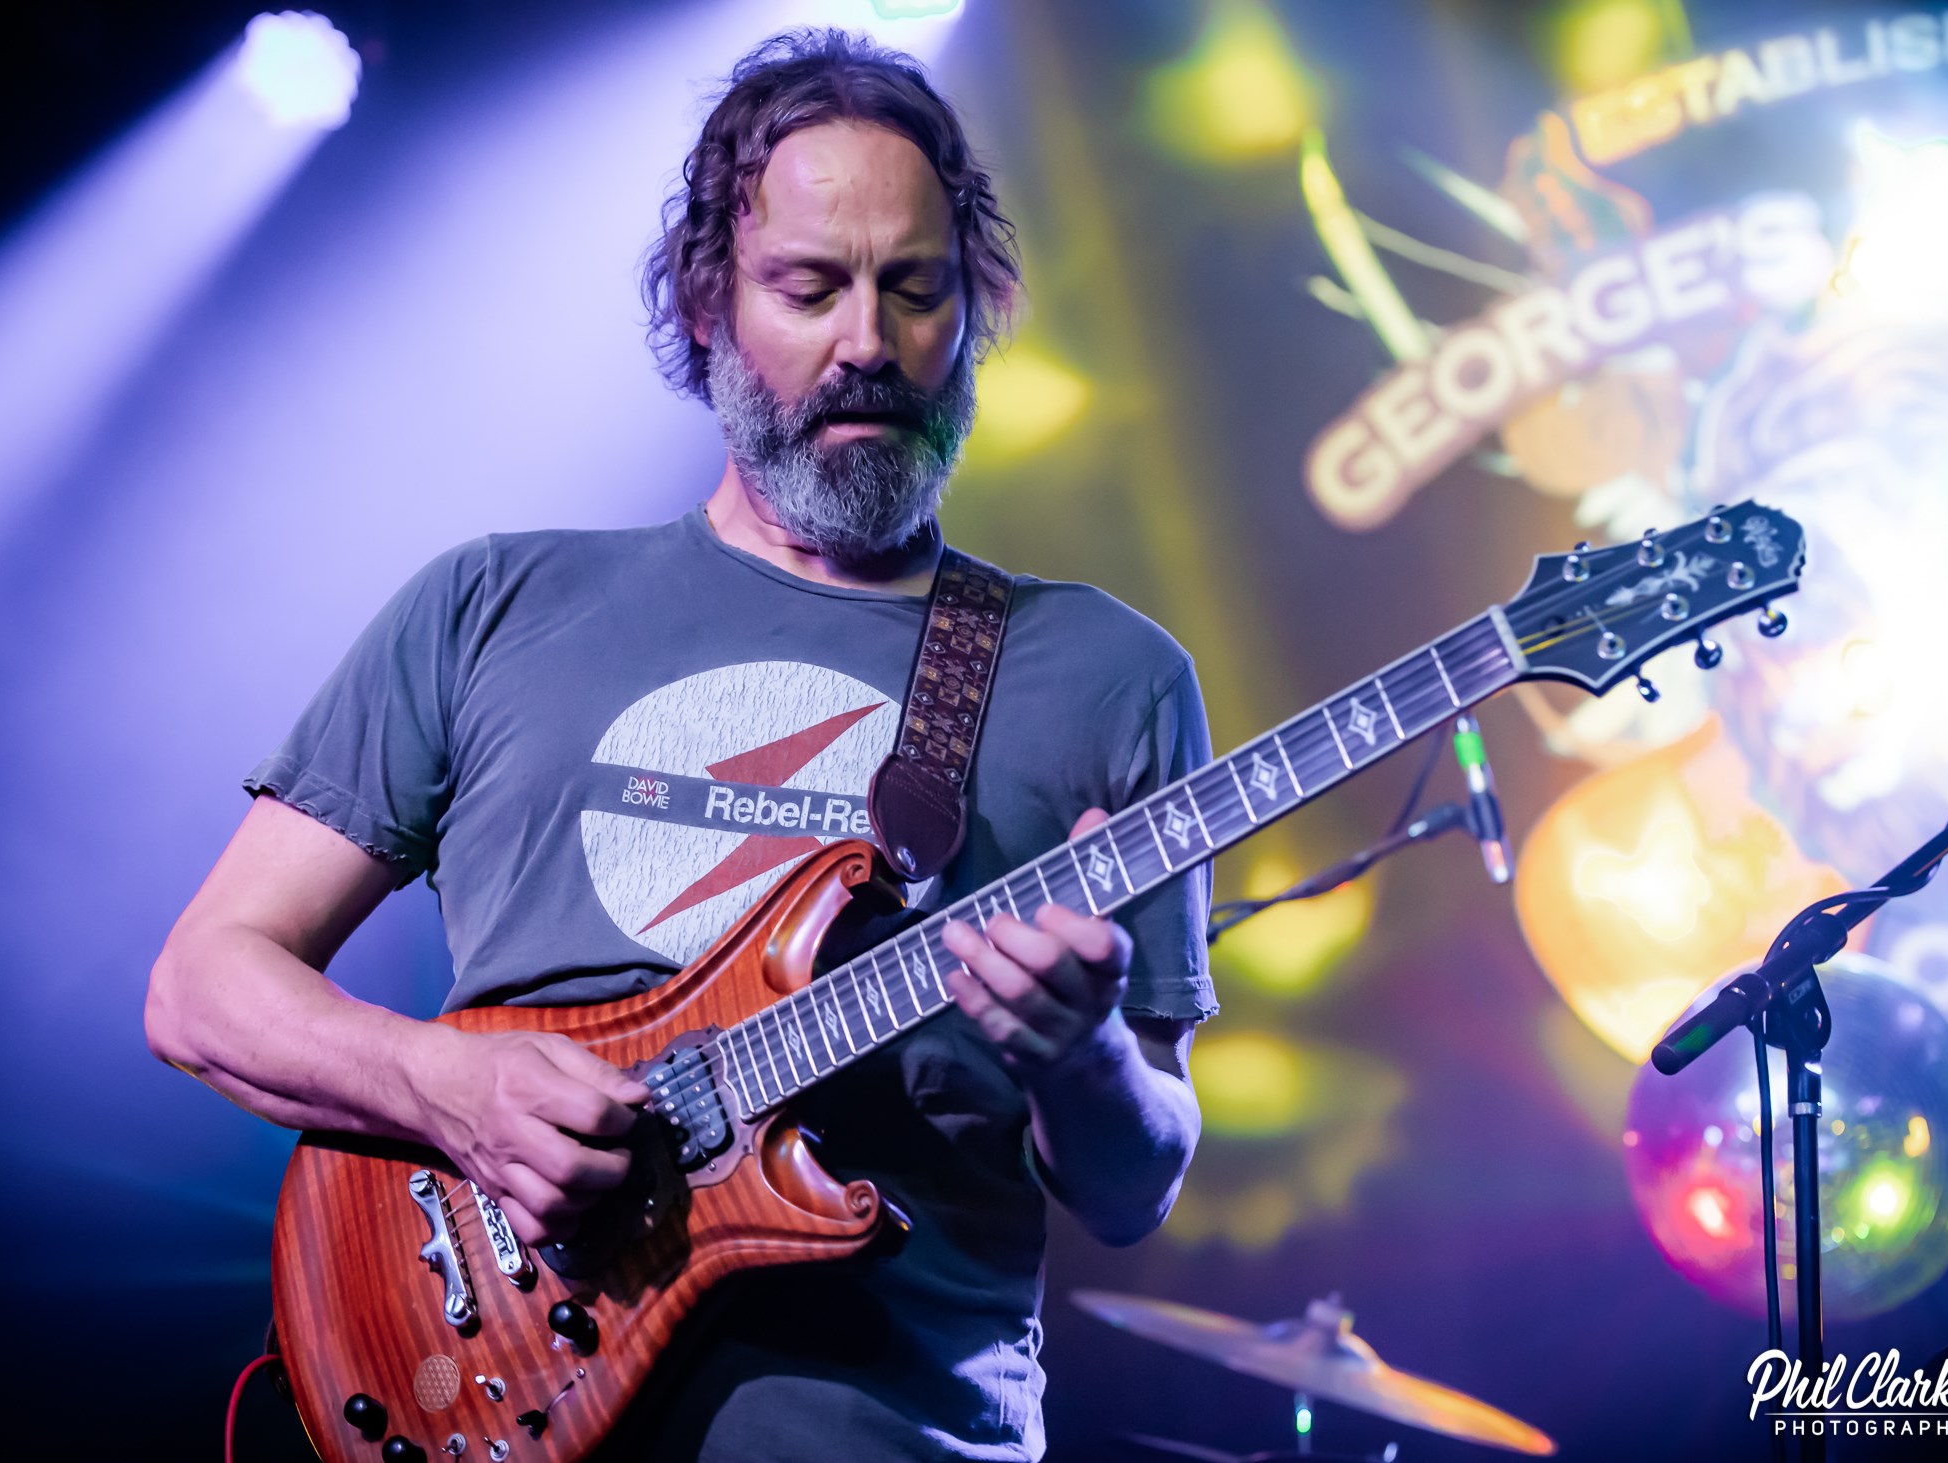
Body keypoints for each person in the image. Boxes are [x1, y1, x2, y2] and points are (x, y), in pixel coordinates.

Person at [146, 29, 1215, 1463]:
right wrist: (452, 1090)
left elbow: (1135, 1187)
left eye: (915, 289)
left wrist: (1084, 1056)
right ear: (710, 304)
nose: (867, 343)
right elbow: (205, 986)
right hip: (487, 1365)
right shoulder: (496, 603)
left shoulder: (1108, 675)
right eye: (810, 288)